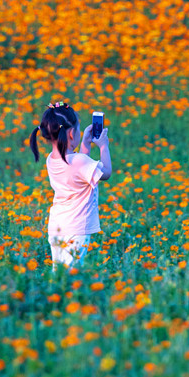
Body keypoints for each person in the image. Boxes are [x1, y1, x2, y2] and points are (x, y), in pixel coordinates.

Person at [29, 101, 112, 269]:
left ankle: (54, 293)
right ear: (72, 134)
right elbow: (107, 173)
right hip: (76, 229)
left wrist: (85, 145)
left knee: (59, 271)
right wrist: (103, 146)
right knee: (70, 275)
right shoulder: (79, 162)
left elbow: (80, 171)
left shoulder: (51, 159)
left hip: (57, 226)